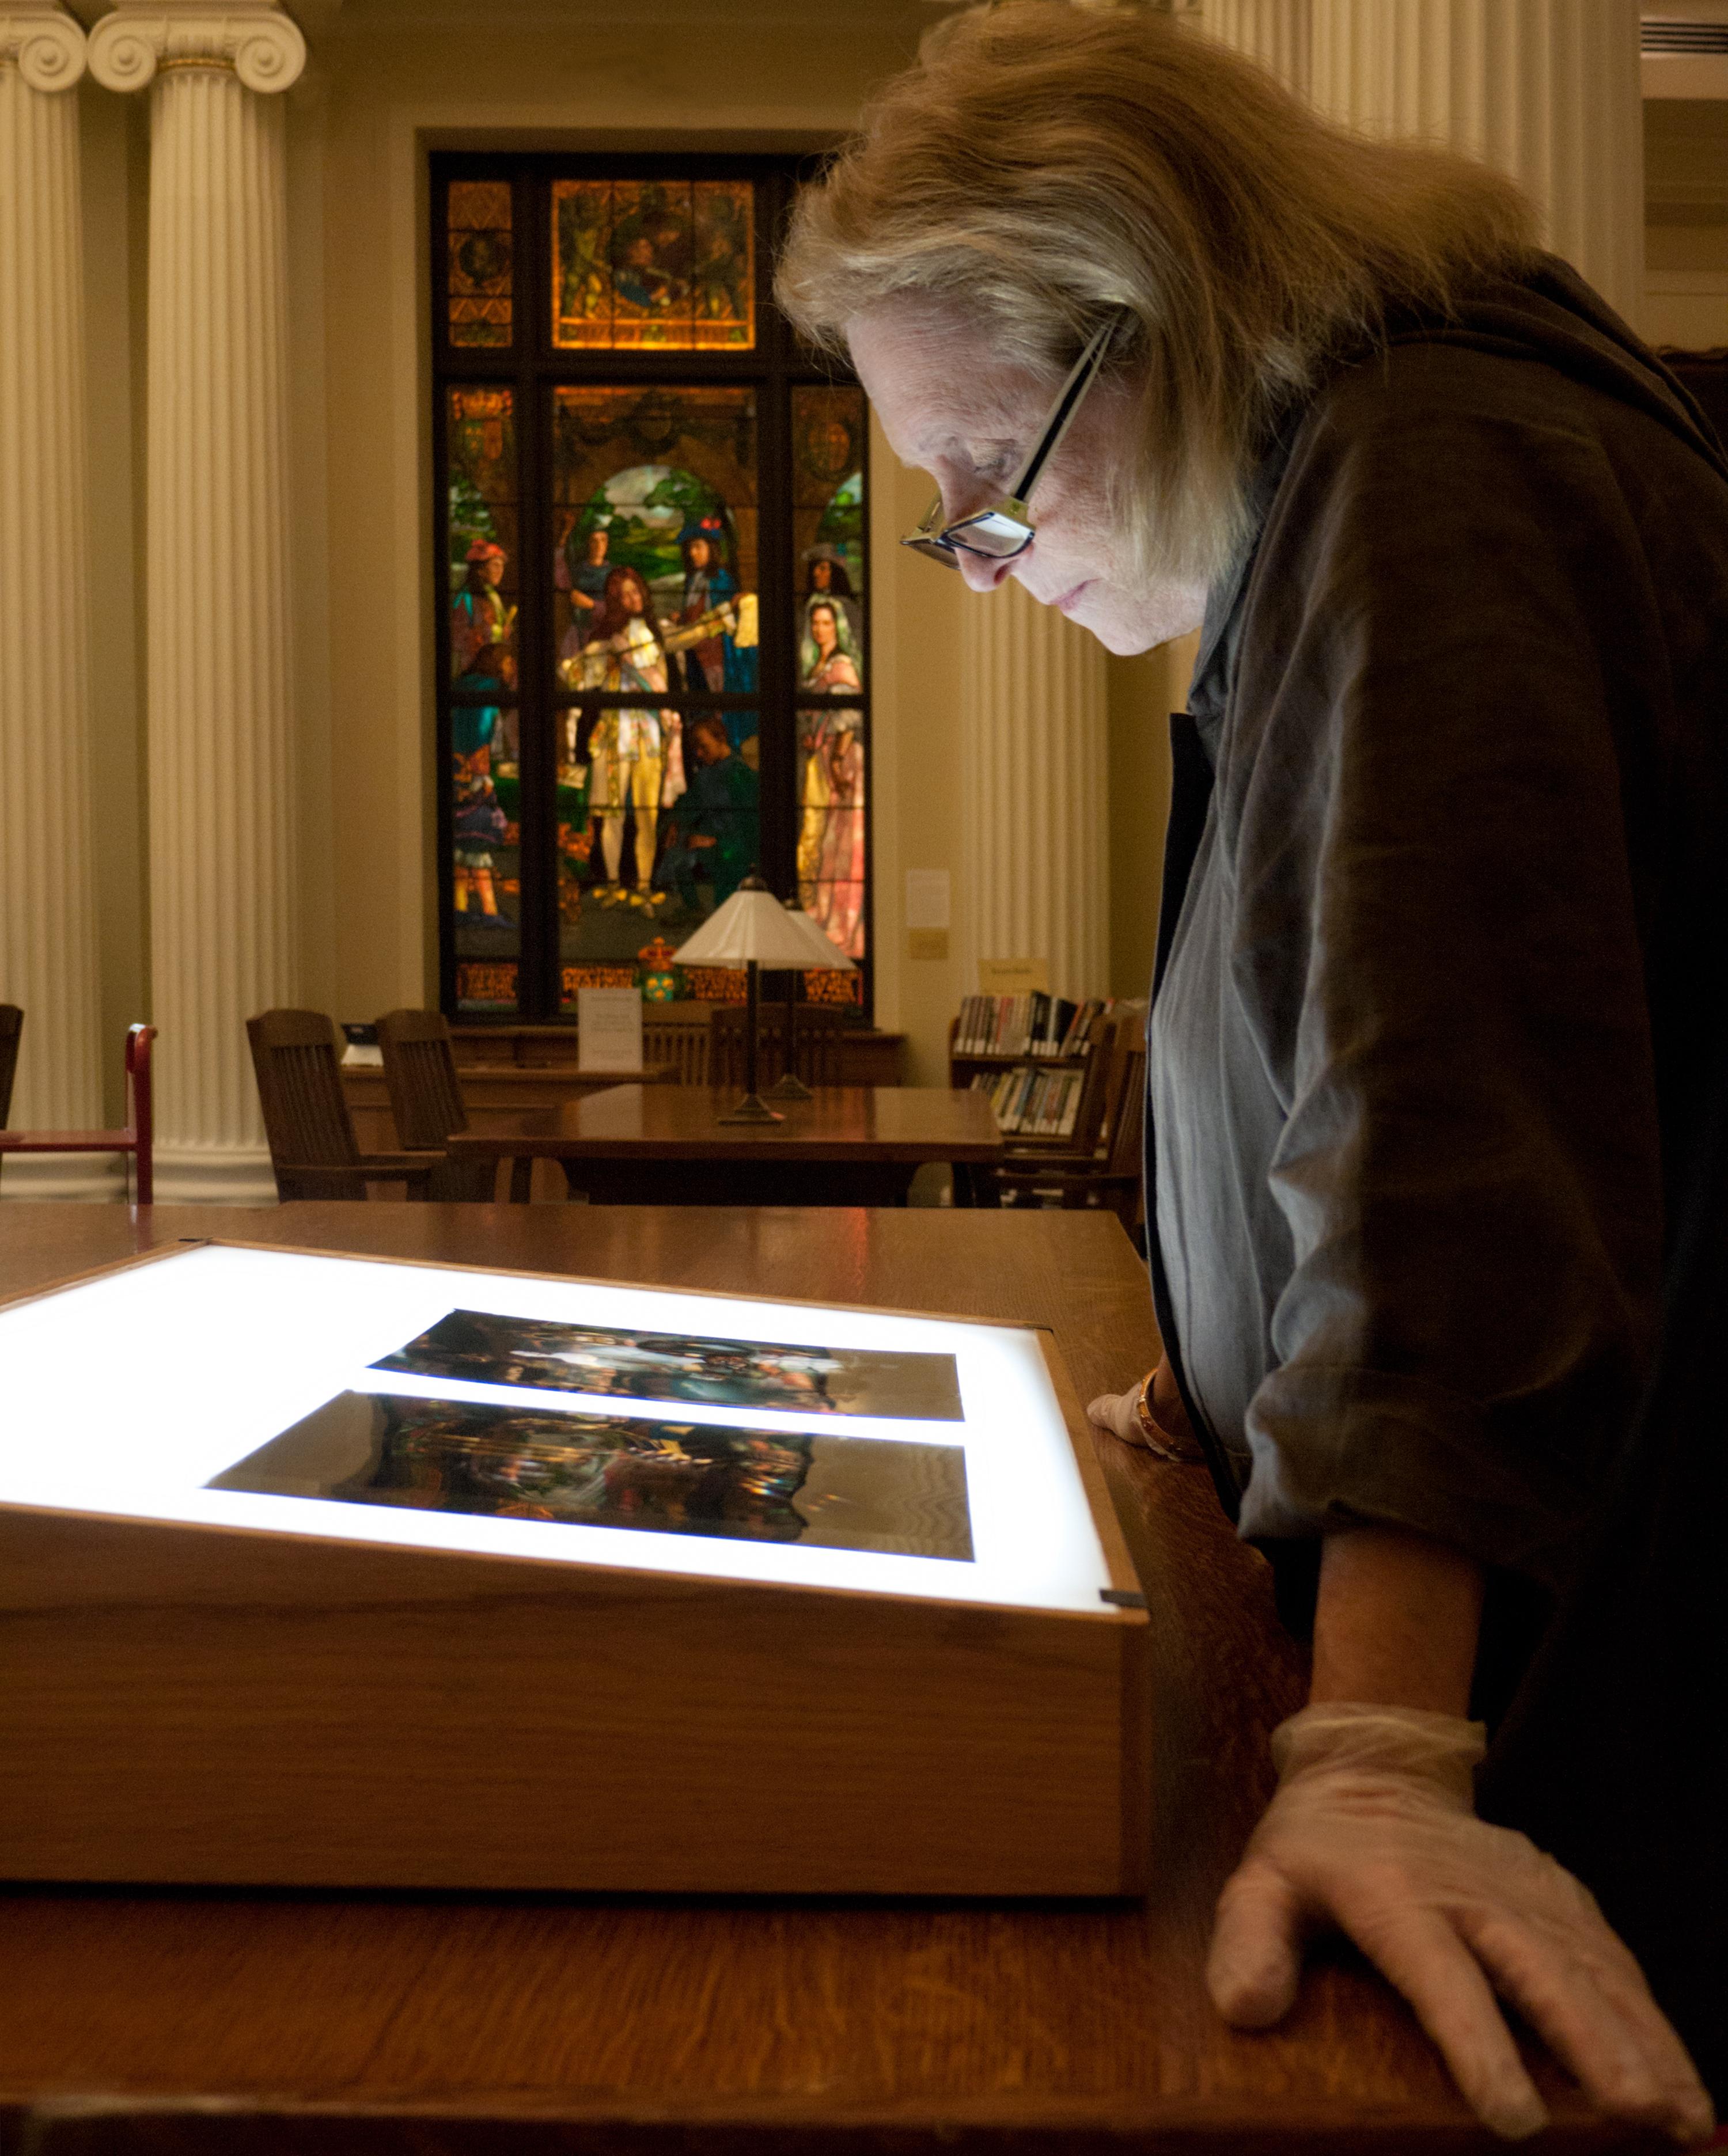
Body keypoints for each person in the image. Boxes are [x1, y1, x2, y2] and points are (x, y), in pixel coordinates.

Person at [777, 2, 1728, 2143]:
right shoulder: (1358, 489)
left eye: (980, 489)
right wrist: (1220, 1387)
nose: (983, 566)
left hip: (1551, 1706)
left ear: (1149, 327)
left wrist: (1379, 1746)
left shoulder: (1434, 465)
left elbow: (1451, 1105)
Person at [574, 565, 686, 904]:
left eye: (636, 590)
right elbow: (581, 680)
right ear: (614, 601)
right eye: (624, 594)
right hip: (613, 735)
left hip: (650, 737)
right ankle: (611, 883)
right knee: (611, 815)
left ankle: (643, 886)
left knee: (647, 816)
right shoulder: (604, 641)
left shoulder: (658, 635)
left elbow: (669, 681)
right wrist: (602, 666)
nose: (633, 598)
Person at [654, 713, 760, 914]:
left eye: (704, 747)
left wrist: (713, 841)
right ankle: (694, 910)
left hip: (733, 848)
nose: (700, 754)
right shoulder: (707, 773)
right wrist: (676, 823)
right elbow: (691, 803)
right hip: (712, 838)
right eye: (697, 749)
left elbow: (749, 828)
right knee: (677, 852)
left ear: (720, 739)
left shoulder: (739, 774)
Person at [449, 538, 513, 679]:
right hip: (475, 671)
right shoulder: (465, 600)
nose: (500, 571)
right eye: (495, 565)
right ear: (480, 570)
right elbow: (456, 637)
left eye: (502, 566)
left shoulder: (494, 596)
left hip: (496, 669)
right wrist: (473, 635)